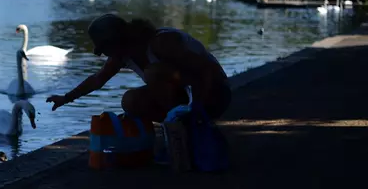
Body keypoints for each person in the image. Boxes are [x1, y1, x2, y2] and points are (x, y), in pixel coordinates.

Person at [47, 14, 231, 122]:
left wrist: (199, 107)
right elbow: (98, 79)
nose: (104, 55)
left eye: (105, 49)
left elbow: (206, 70)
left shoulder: (161, 43)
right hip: (189, 96)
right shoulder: (123, 54)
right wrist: (66, 98)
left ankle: (187, 125)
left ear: (118, 41)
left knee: (153, 74)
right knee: (130, 101)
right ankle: (175, 127)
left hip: (215, 94)